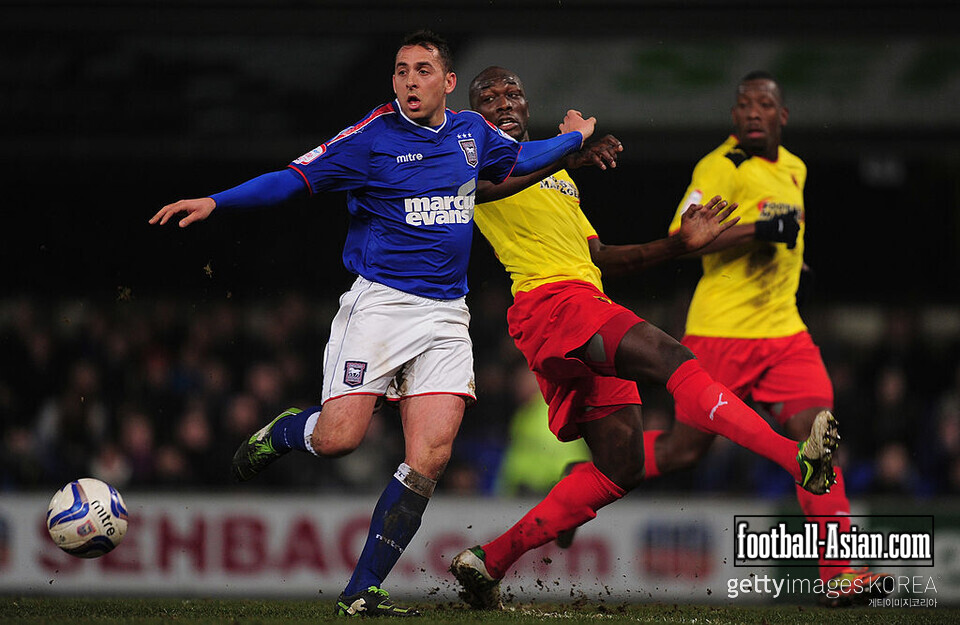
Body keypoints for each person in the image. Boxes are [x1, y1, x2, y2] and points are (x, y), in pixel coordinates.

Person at [150, 32, 597, 618]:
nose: (410, 80)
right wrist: (217, 201)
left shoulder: (471, 133)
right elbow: (293, 178)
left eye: (423, 70)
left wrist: (573, 139)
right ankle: (285, 431)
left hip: (446, 313)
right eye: (401, 70)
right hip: (380, 307)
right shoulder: (371, 137)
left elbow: (521, 161)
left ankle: (361, 591)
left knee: (429, 458)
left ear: (447, 82)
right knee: (339, 440)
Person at [448, 66, 839, 610]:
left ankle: (488, 561)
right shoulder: (471, 158)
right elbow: (495, 182)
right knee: (672, 357)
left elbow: (603, 257)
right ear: (473, 114)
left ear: (527, 104)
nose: (501, 101)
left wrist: (679, 245)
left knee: (622, 465)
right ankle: (796, 459)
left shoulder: (558, 177)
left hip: (585, 301)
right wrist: (570, 148)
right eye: (487, 97)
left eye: (511, 92)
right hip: (551, 305)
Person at [648, 70, 890, 606]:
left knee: (819, 440)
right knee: (683, 451)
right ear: (733, 116)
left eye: (763, 104)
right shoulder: (721, 165)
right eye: (743, 104)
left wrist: (792, 262)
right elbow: (682, 237)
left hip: (784, 332)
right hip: (720, 333)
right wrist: (758, 230)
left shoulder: (795, 167)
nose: (753, 112)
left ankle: (839, 574)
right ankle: (603, 464)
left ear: (783, 116)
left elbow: (788, 232)